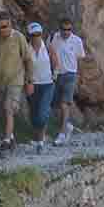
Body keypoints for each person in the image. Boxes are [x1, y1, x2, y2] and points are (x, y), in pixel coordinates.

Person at [0, 11, 33, 156]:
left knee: (8, 108)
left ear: (10, 24)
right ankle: (11, 136)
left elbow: (28, 60)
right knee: (0, 113)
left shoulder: (19, 38)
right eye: (0, 27)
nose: (3, 30)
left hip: (15, 81)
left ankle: (6, 142)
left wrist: (30, 81)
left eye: (6, 26)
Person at [49, 16, 86, 146]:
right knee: (57, 104)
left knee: (65, 103)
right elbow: (51, 54)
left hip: (71, 74)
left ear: (71, 29)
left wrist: (80, 77)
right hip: (57, 75)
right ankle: (67, 126)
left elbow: (80, 59)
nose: (66, 32)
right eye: (64, 29)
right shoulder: (54, 38)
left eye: (69, 29)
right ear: (60, 29)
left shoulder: (77, 41)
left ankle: (62, 133)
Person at [24, 23, 55, 154]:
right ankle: (38, 140)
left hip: (47, 84)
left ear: (41, 34)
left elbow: (55, 61)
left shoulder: (47, 47)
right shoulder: (25, 49)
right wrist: (26, 82)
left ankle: (41, 142)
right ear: (29, 36)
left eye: (38, 34)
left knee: (42, 113)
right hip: (32, 84)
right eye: (33, 35)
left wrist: (55, 75)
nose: (36, 37)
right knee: (34, 115)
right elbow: (22, 67)